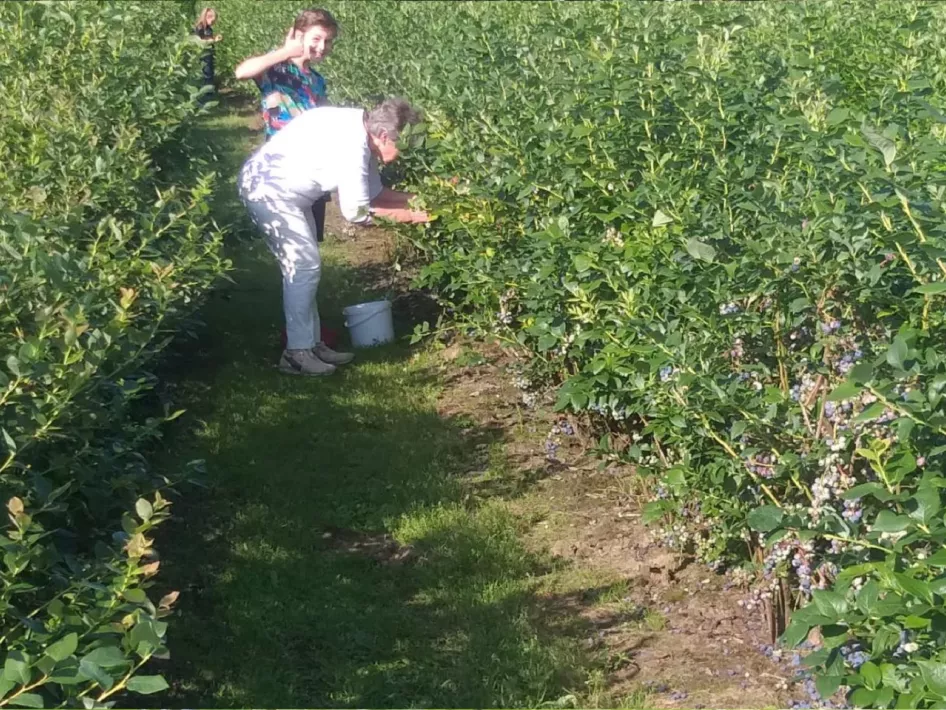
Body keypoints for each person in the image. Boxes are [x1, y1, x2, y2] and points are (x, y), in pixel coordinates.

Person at [238, 98, 429, 377]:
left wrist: (425, 200)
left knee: (304, 269)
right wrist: (416, 215)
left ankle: (312, 345)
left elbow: (375, 194)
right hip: (268, 192)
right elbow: (357, 211)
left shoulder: (361, 132)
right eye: (404, 145)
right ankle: (297, 354)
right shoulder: (352, 145)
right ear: (385, 136)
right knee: (303, 267)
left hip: (284, 192)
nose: (404, 153)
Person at [234, 8, 337, 242]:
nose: (322, 47)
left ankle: (312, 276)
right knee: (291, 237)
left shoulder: (317, 80)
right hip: (281, 163)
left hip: (312, 163)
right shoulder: (276, 69)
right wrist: (285, 51)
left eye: (328, 41)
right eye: (316, 39)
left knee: (312, 236)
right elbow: (242, 72)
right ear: (298, 35)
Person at [193, 7, 221, 103]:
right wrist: (214, 40)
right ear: (207, 17)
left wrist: (213, 38)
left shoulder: (208, 28)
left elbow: (207, 38)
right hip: (202, 55)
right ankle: (205, 97)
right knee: (206, 75)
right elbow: (200, 42)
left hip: (208, 55)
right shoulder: (199, 28)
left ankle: (208, 95)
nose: (213, 22)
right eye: (212, 20)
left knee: (209, 74)